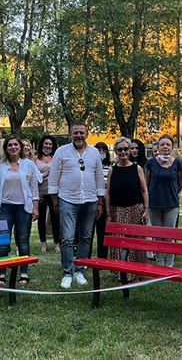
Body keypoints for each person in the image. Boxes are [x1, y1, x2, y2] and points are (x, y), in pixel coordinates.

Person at [48, 122, 105, 289]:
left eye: (81, 132)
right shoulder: (61, 152)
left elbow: (99, 178)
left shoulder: (94, 153)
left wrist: (100, 202)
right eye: (75, 133)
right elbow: (53, 177)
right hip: (67, 199)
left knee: (86, 237)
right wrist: (55, 201)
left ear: (87, 134)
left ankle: (79, 271)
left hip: (89, 200)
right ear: (70, 135)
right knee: (67, 239)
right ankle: (67, 273)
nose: (79, 135)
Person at [0, 136, 40, 285]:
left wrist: (35, 207)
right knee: (3, 241)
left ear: (20, 147)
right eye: (10, 145)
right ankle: (1, 273)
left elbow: (34, 189)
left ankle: (23, 272)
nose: (13, 147)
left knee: (23, 240)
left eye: (15, 145)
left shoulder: (28, 165)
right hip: (4, 207)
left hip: (23, 208)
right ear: (6, 148)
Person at [105, 137, 149, 268]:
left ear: (129, 151)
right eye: (120, 149)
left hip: (135, 209)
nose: (123, 152)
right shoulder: (112, 170)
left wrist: (146, 210)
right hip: (117, 210)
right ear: (116, 151)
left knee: (135, 241)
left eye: (125, 149)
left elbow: (144, 190)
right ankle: (120, 270)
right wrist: (108, 214)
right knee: (119, 240)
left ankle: (137, 269)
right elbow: (108, 193)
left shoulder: (137, 168)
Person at [144, 134, 182, 267]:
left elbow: (181, 183)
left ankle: (170, 264)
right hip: (154, 203)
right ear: (158, 147)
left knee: (169, 235)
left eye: (168, 145)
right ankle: (160, 263)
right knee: (157, 234)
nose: (165, 147)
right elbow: (146, 183)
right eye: (163, 145)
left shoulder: (177, 163)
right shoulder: (151, 163)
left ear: (172, 147)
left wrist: (171, 193)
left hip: (171, 204)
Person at [35, 135, 60, 253]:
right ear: (42, 144)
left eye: (50, 144)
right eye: (46, 144)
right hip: (40, 193)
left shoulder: (56, 157)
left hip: (53, 193)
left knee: (55, 219)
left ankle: (56, 243)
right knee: (41, 219)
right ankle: (43, 243)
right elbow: (32, 177)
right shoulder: (36, 158)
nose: (48, 146)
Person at [93, 141, 112, 258]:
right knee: (88, 232)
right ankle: (86, 257)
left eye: (103, 150)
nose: (101, 152)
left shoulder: (110, 168)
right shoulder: (91, 167)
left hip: (104, 202)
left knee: (102, 231)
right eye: (98, 150)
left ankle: (102, 257)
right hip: (91, 200)